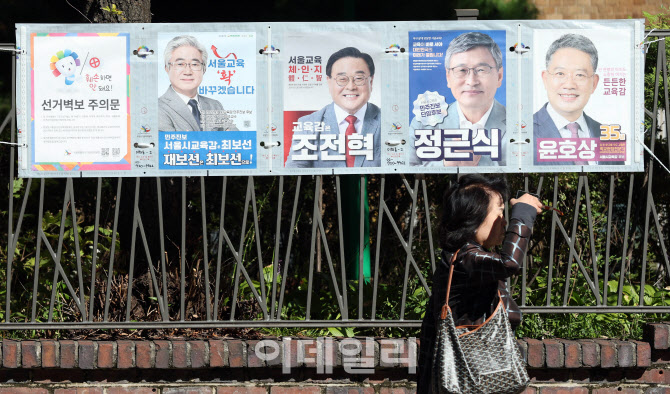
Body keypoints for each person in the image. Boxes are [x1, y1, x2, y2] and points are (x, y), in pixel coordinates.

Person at [417, 174, 543, 393]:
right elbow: (510, 262)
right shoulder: (466, 257)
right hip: (469, 376)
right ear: (473, 216)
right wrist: (523, 214)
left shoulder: (469, 256)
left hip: (479, 374)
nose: (504, 221)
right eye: (500, 212)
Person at [408, 32, 507, 167]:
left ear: (499, 76)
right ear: (448, 77)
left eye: (482, 69)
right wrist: (445, 165)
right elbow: (404, 169)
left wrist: (475, 163)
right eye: (461, 70)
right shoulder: (423, 124)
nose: (471, 81)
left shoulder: (519, 125)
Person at [285, 47, 381, 168]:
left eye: (359, 79)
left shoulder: (387, 122)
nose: (351, 86)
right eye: (342, 79)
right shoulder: (308, 124)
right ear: (329, 82)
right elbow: (294, 171)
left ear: (371, 82)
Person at [534, 34, 620, 165]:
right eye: (560, 74)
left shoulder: (610, 137)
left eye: (580, 75)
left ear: (594, 83)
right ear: (545, 79)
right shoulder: (523, 134)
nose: (569, 85)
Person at [158, 35, 237, 132]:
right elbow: (169, 145)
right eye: (180, 64)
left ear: (204, 69)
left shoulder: (215, 105)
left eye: (195, 64)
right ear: (167, 68)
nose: (187, 71)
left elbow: (235, 139)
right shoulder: (158, 108)